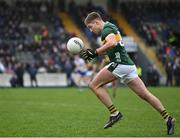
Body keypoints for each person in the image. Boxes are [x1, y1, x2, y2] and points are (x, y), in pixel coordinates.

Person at [80, 12, 175, 135]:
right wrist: (94, 53)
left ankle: (115, 113)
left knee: (93, 85)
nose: (91, 31)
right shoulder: (111, 27)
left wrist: (95, 52)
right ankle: (168, 118)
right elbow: (113, 46)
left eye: (91, 27)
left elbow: (112, 43)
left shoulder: (106, 29)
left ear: (97, 22)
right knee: (145, 95)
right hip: (128, 66)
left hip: (120, 64)